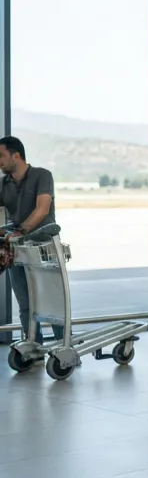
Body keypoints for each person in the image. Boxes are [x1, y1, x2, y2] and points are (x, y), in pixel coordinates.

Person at [0, 136, 63, 344]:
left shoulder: (42, 176)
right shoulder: (3, 184)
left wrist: (21, 231)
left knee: (54, 300)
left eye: (1, 156)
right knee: (25, 303)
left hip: (44, 245)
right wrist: (8, 234)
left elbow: (42, 208)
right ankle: (32, 347)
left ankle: (66, 350)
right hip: (18, 248)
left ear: (15, 155)